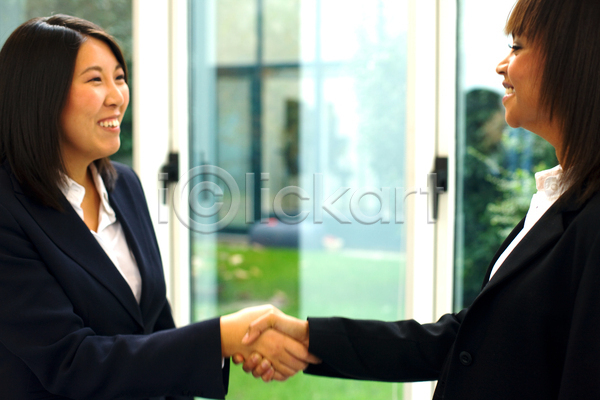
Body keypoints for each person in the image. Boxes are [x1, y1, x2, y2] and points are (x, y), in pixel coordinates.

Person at [239, 0, 600, 398]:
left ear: (574, 59)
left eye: (517, 47)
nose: (501, 66)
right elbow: (469, 342)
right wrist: (311, 338)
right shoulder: (559, 197)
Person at [0, 15, 316, 400]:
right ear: (40, 94)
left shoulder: (124, 185)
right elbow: (72, 363)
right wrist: (221, 337)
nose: (117, 96)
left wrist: (219, 346)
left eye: (119, 77)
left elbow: (155, 325)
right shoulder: (8, 209)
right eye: (95, 80)